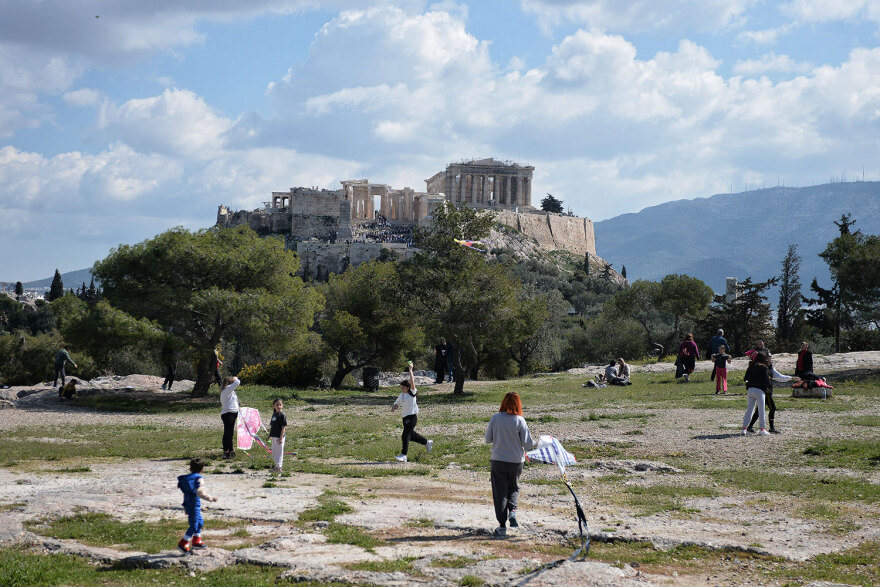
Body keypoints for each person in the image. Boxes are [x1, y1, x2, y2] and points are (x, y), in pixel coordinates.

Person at [484, 392, 537, 537]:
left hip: (498, 460)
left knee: (500, 492)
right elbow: (528, 445)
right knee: (513, 487)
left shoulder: (496, 418)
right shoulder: (520, 420)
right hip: (516, 461)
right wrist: (539, 443)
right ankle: (512, 511)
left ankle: (502, 526)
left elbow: (488, 439)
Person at [391, 362, 433, 463]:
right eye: (401, 388)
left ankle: (403, 455)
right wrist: (394, 407)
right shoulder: (401, 395)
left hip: (412, 417)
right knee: (411, 436)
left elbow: (412, 381)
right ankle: (427, 442)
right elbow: (397, 403)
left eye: (403, 388)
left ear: (408, 387)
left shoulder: (412, 393)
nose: (402, 389)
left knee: (405, 435)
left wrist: (410, 370)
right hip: (405, 418)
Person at [176, 458, 218, 553]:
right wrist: (211, 498)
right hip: (194, 504)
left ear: (190, 468)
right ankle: (183, 543)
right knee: (194, 526)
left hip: (188, 502)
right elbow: (200, 492)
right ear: (202, 469)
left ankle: (196, 541)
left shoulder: (186, 479)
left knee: (200, 522)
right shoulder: (198, 479)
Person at [747, 358, 799, 434]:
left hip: (764, 391)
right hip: (766, 391)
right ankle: (771, 428)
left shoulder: (770, 367)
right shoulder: (761, 367)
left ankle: (750, 427)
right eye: (769, 357)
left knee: (759, 410)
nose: (771, 359)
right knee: (772, 408)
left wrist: (792, 378)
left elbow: (780, 377)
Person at [742, 353, 772, 436]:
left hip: (750, 389)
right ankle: (762, 429)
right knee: (761, 410)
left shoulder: (751, 366)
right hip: (759, 391)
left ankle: (744, 429)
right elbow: (767, 381)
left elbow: (745, 378)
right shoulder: (764, 367)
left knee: (749, 410)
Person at [220, 376, 240, 459]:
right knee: (228, 433)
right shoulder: (227, 389)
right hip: (228, 414)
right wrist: (235, 378)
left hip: (231, 413)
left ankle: (227, 450)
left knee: (228, 433)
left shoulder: (229, 391)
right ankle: (229, 451)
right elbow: (237, 383)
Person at [269, 398, 287, 473]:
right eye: (277, 405)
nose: (279, 406)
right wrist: (269, 435)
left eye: (280, 405)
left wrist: (281, 438)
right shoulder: (274, 414)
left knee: (279, 452)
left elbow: (283, 428)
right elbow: (272, 426)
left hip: (279, 437)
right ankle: (276, 466)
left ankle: (279, 467)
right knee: (274, 451)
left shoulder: (282, 415)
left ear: (282, 406)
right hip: (274, 436)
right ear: (274, 406)